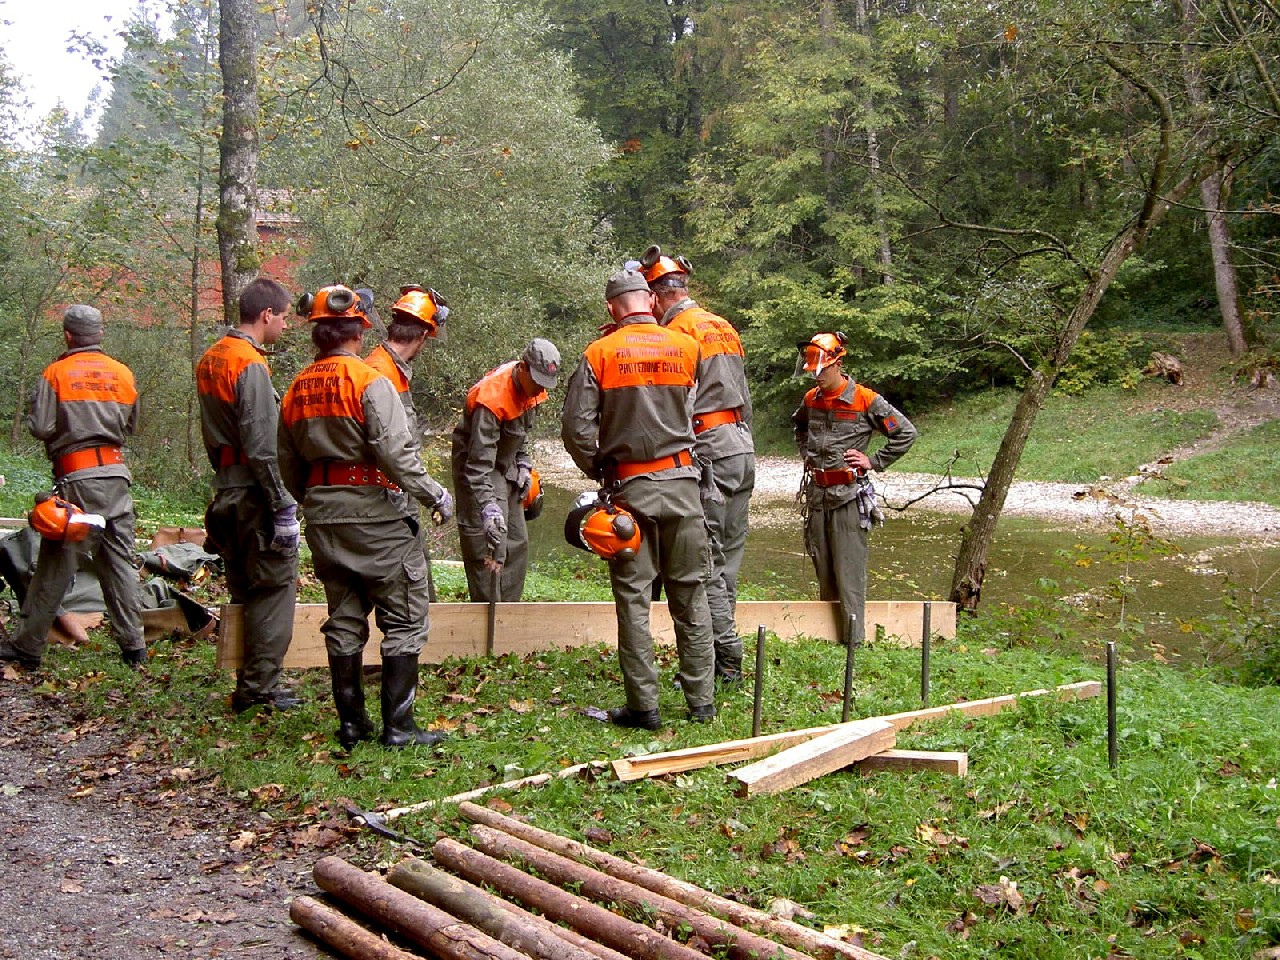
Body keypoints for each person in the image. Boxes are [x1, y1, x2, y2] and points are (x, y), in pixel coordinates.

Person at [277, 284, 455, 749]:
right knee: (405, 617)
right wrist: (435, 494)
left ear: (316, 333)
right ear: (361, 328)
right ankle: (399, 727)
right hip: (375, 516)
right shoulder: (368, 380)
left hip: (324, 518)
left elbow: (288, 463)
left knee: (346, 614)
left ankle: (353, 724)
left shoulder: (297, 387)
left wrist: (318, 501)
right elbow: (396, 453)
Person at [561, 268, 716, 731]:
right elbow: (702, 414)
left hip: (630, 491)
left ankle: (644, 707)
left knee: (633, 600)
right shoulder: (687, 347)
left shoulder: (599, 353)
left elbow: (576, 430)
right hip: (684, 485)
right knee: (691, 594)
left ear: (612, 307)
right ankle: (701, 702)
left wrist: (601, 469)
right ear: (649, 300)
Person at [0, 305, 146, 671]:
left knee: (55, 565)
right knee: (119, 563)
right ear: (99, 334)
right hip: (116, 478)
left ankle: (28, 646)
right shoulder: (123, 374)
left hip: (78, 481)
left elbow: (41, 427)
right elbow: (132, 426)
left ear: (68, 335)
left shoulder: (56, 373)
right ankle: (134, 648)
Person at [640, 245, 755, 683]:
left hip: (708, 449)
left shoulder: (680, 333)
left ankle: (723, 659)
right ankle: (720, 650)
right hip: (739, 447)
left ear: (656, 296)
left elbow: (678, 402)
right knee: (726, 561)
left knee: (703, 561)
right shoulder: (722, 325)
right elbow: (743, 395)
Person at [195, 277, 300, 713]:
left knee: (243, 587)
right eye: (284, 317)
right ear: (266, 315)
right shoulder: (249, 364)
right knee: (275, 587)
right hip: (254, 494)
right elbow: (262, 444)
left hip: (226, 489)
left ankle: (249, 679)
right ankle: (259, 689)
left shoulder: (211, 357)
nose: (285, 326)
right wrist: (282, 505)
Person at [792, 332, 917, 647]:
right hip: (818, 497)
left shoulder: (865, 399)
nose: (816, 375)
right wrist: (808, 455)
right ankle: (830, 639)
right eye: (813, 371)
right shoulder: (811, 400)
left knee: (849, 576)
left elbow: (904, 433)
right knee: (823, 570)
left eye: (821, 369)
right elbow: (800, 427)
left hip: (848, 496)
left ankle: (854, 644)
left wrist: (873, 461)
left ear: (837, 362)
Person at [451, 338, 561, 602]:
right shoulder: (492, 399)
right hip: (478, 468)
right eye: (536, 382)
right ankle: (487, 622)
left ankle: (510, 618)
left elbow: (521, 432)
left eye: (544, 384)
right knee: (488, 541)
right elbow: (478, 465)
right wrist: (488, 506)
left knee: (516, 541)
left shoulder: (534, 388)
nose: (538, 390)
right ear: (523, 367)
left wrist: (523, 462)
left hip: (506, 465)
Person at [364, 285, 449, 600]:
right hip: (384, 496)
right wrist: (434, 494)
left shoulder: (389, 368)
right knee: (407, 580)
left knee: (417, 569)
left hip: (395, 490)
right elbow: (392, 451)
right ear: (423, 336)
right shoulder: (380, 372)